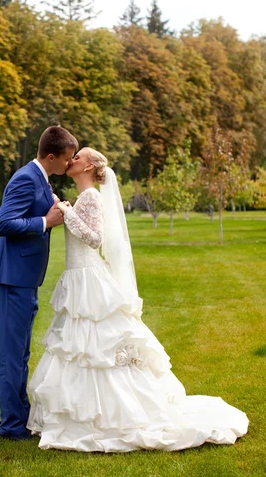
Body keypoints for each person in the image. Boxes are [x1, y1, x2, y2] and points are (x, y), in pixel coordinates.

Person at [27, 147, 249, 452]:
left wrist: (66, 212)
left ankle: (108, 415)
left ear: (90, 165)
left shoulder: (91, 196)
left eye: (78, 157)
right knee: (80, 348)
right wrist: (64, 207)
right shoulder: (84, 197)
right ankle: (89, 413)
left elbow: (94, 238)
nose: (72, 160)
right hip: (80, 277)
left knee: (94, 349)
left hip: (87, 280)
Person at [0, 126, 78, 440]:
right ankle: (11, 425)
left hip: (23, 277)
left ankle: (19, 418)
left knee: (20, 352)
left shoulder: (40, 177)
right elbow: (3, 224)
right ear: (51, 157)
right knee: (12, 353)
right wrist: (45, 222)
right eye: (67, 159)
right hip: (12, 277)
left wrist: (50, 210)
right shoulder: (26, 177)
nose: (70, 164)